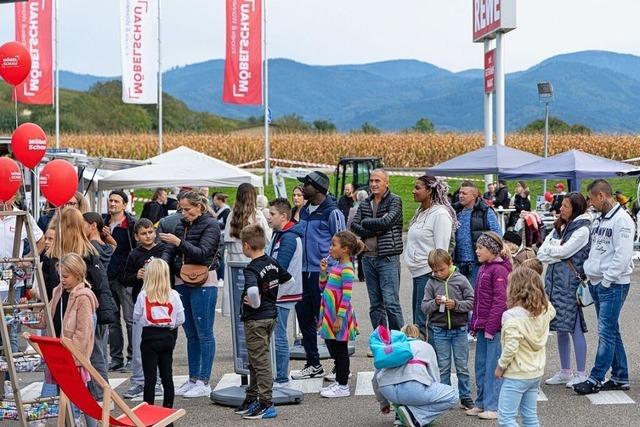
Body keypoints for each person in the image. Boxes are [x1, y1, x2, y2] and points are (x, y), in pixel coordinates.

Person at [42, 208, 115, 401]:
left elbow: (49, 283)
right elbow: (100, 283)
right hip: (80, 306)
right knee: (91, 355)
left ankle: (89, 400)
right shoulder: (87, 249)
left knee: (76, 357)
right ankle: (96, 399)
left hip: (71, 307)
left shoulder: (58, 252)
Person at [573, 179, 635, 395]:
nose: (589, 202)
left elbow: (623, 254)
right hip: (599, 282)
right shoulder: (600, 220)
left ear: (602, 196)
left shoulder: (623, 221)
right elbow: (598, 250)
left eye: (591, 197)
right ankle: (620, 376)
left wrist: (607, 280)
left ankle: (596, 378)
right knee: (612, 331)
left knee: (606, 332)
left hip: (613, 284)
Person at [160, 191, 220, 398]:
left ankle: (204, 381)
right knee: (191, 333)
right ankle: (193, 378)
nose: (184, 213)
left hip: (204, 280)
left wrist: (179, 243)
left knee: (204, 333)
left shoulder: (211, 224)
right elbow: (170, 249)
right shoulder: (181, 225)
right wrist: (160, 263)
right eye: (181, 209)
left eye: (187, 209)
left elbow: (203, 253)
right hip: (182, 280)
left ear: (199, 207)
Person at [235, 224, 294, 420]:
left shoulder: (252, 268)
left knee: (260, 362)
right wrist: (272, 297)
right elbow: (289, 281)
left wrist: (256, 302)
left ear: (246, 246)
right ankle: (252, 397)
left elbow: (252, 291)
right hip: (270, 316)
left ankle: (266, 403)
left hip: (256, 319)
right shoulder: (272, 262)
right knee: (254, 359)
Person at [290, 171, 345, 380]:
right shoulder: (304, 211)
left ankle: (340, 365)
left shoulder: (333, 212)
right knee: (305, 320)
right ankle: (313, 363)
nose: (302, 188)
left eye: (307, 185)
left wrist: (331, 268)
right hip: (302, 273)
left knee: (327, 321)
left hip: (323, 275)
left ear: (318, 188)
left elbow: (342, 242)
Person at [537, 192, 591, 387]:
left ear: (575, 208)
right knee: (559, 326)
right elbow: (542, 251)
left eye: (566, 206)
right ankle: (565, 371)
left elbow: (564, 252)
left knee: (574, 326)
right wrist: (554, 250)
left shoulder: (583, 229)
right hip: (554, 283)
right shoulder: (561, 226)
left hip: (570, 284)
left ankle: (582, 372)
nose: (561, 209)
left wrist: (554, 250)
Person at [38, 253, 99, 426]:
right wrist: (30, 316)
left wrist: (73, 356)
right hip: (58, 353)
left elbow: (83, 332)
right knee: (71, 396)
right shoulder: (57, 291)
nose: (62, 280)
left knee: (79, 397)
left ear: (78, 274)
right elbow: (47, 319)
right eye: (60, 276)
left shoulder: (84, 297)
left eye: (66, 276)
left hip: (73, 357)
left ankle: (81, 423)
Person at [496, 267, 556, 427]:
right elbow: (551, 309)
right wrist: (541, 297)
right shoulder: (543, 311)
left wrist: (501, 366)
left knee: (506, 419)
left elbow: (511, 347)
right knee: (530, 416)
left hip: (516, 373)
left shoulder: (511, 316)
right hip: (535, 372)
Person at [372, 324, 458, 427]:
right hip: (413, 388)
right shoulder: (426, 346)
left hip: (387, 389)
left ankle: (401, 417)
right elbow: (434, 375)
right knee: (453, 395)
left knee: (405, 393)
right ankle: (416, 416)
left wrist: (383, 403)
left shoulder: (392, 347)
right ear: (418, 335)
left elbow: (375, 379)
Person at [351, 169, 404, 331]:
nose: (373, 184)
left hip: (387, 258)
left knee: (391, 303)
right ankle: (381, 340)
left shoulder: (395, 200)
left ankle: (398, 340)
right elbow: (354, 225)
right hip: (368, 258)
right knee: (375, 305)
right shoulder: (365, 203)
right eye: (371, 181)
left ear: (386, 182)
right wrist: (376, 225)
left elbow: (387, 222)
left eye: (377, 181)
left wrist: (367, 222)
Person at [466, 232, 512, 420]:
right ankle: (482, 402)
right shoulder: (485, 267)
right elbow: (479, 300)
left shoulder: (499, 270)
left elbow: (500, 302)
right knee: (481, 365)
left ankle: (494, 405)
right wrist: (475, 323)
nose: (476, 251)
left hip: (493, 328)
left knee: (494, 366)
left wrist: (491, 328)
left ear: (491, 250)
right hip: (484, 326)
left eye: (480, 248)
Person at [421, 249, 474, 410]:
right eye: (434, 270)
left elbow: (472, 301)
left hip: (459, 329)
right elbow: (424, 306)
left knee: (462, 365)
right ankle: (445, 396)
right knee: (443, 366)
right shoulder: (431, 282)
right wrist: (436, 304)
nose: (438, 273)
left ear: (450, 263)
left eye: (441, 270)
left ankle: (465, 396)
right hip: (439, 329)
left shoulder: (461, 280)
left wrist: (456, 305)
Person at [405, 175, 456, 338]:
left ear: (430, 191)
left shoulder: (440, 214)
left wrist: (437, 277)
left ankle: (430, 359)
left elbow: (441, 251)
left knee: (425, 322)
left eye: (418, 188)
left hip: (429, 274)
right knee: (419, 320)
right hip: (417, 273)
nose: (413, 191)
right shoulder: (421, 213)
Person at [122, 218, 168, 399]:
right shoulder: (134, 254)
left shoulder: (163, 250)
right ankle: (139, 381)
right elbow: (124, 278)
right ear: (136, 236)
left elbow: (171, 272)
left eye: (150, 232)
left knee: (159, 345)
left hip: (162, 302)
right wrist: (136, 275)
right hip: (141, 303)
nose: (148, 236)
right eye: (143, 233)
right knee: (139, 343)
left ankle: (156, 381)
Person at [133, 258, 184, 409]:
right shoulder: (173, 294)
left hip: (149, 336)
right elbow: (181, 318)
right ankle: (168, 412)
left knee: (150, 378)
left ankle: (148, 411)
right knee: (167, 376)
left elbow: (136, 316)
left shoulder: (143, 295)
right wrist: (171, 324)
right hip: (167, 336)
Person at [317, 231, 362, 398]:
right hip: (330, 314)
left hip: (339, 316)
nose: (330, 248)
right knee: (331, 344)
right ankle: (339, 378)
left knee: (340, 349)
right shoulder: (335, 266)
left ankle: (343, 386)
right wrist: (323, 273)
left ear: (345, 249)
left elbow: (347, 295)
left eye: (333, 245)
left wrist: (340, 317)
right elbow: (324, 288)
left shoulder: (347, 269)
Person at [266, 198, 303, 388]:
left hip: (283, 293)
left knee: (279, 335)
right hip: (279, 292)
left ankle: (282, 377)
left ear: (284, 216)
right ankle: (279, 375)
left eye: (272, 214)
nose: (268, 217)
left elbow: (280, 267)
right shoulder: (280, 233)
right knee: (277, 334)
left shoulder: (288, 237)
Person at [103, 189, 137, 372]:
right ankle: (116, 358)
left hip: (126, 279)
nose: (112, 204)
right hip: (107, 278)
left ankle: (132, 357)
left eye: (116, 201)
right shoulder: (103, 223)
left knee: (130, 320)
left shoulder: (131, 224)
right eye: (110, 201)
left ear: (124, 204)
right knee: (112, 321)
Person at [454, 181, 502, 286]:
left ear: (474, 196)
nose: (460, 196)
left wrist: (489, 256)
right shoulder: (455, 211)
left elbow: (497, 236)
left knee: (474, 296)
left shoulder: (485, 211)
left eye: (464, 193)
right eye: (460, 193)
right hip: (458, 263)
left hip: (477, 264)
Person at [224, 183, 272, 264]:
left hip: (232, 259)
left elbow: (227, 239)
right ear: (254, 197)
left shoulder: (231, 215)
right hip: (251, 259)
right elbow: (268, 238)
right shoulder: (257, 215)